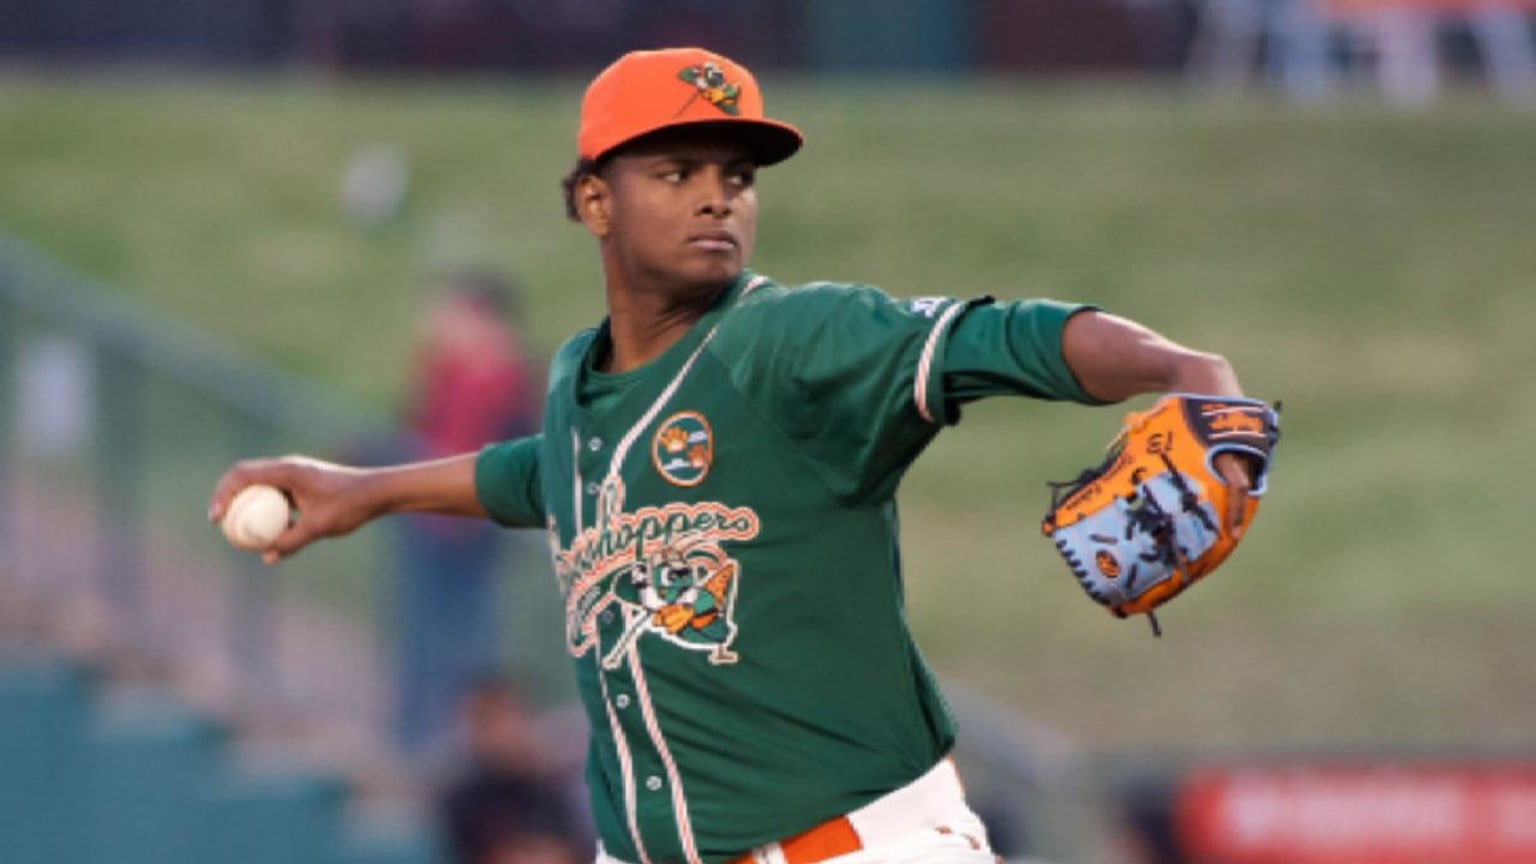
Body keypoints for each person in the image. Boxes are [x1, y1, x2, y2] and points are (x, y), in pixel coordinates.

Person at [210, 46, 1259, 864]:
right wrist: (364, 492)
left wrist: (1187, 370)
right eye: (676, 171)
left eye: (737, 175)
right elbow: (545, 478)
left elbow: (1001, 336)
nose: (719, 196)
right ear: (593, 200)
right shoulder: (584, 382)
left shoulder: (790, 342)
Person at [393, 272, 542, 758]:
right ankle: (419, 734)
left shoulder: (508, 374)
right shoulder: (449, 369)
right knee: (426, 631)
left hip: (475, 523)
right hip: (432, 516)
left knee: (468, 635)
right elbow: (419, 423)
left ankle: (465, 739)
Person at [440, 676, 589, 864]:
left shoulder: (561, 791)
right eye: (484, 720)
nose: (499, 732)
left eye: (504, 717)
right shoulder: (463, 801)